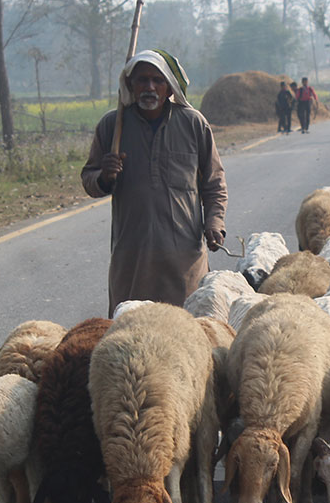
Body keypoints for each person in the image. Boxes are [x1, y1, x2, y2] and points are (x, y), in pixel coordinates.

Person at [81, 49, 228, 313]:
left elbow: (214, 182)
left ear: (169, 87)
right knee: (131, 326)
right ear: (130, 85)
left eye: (157, 80)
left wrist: (214, 222)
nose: (149, 87)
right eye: (142, 80)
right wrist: (104, 176)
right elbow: (89, 180)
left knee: (190, 326)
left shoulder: (193, 124)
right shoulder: (112, 126)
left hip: (184, 258)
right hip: (132, 259)